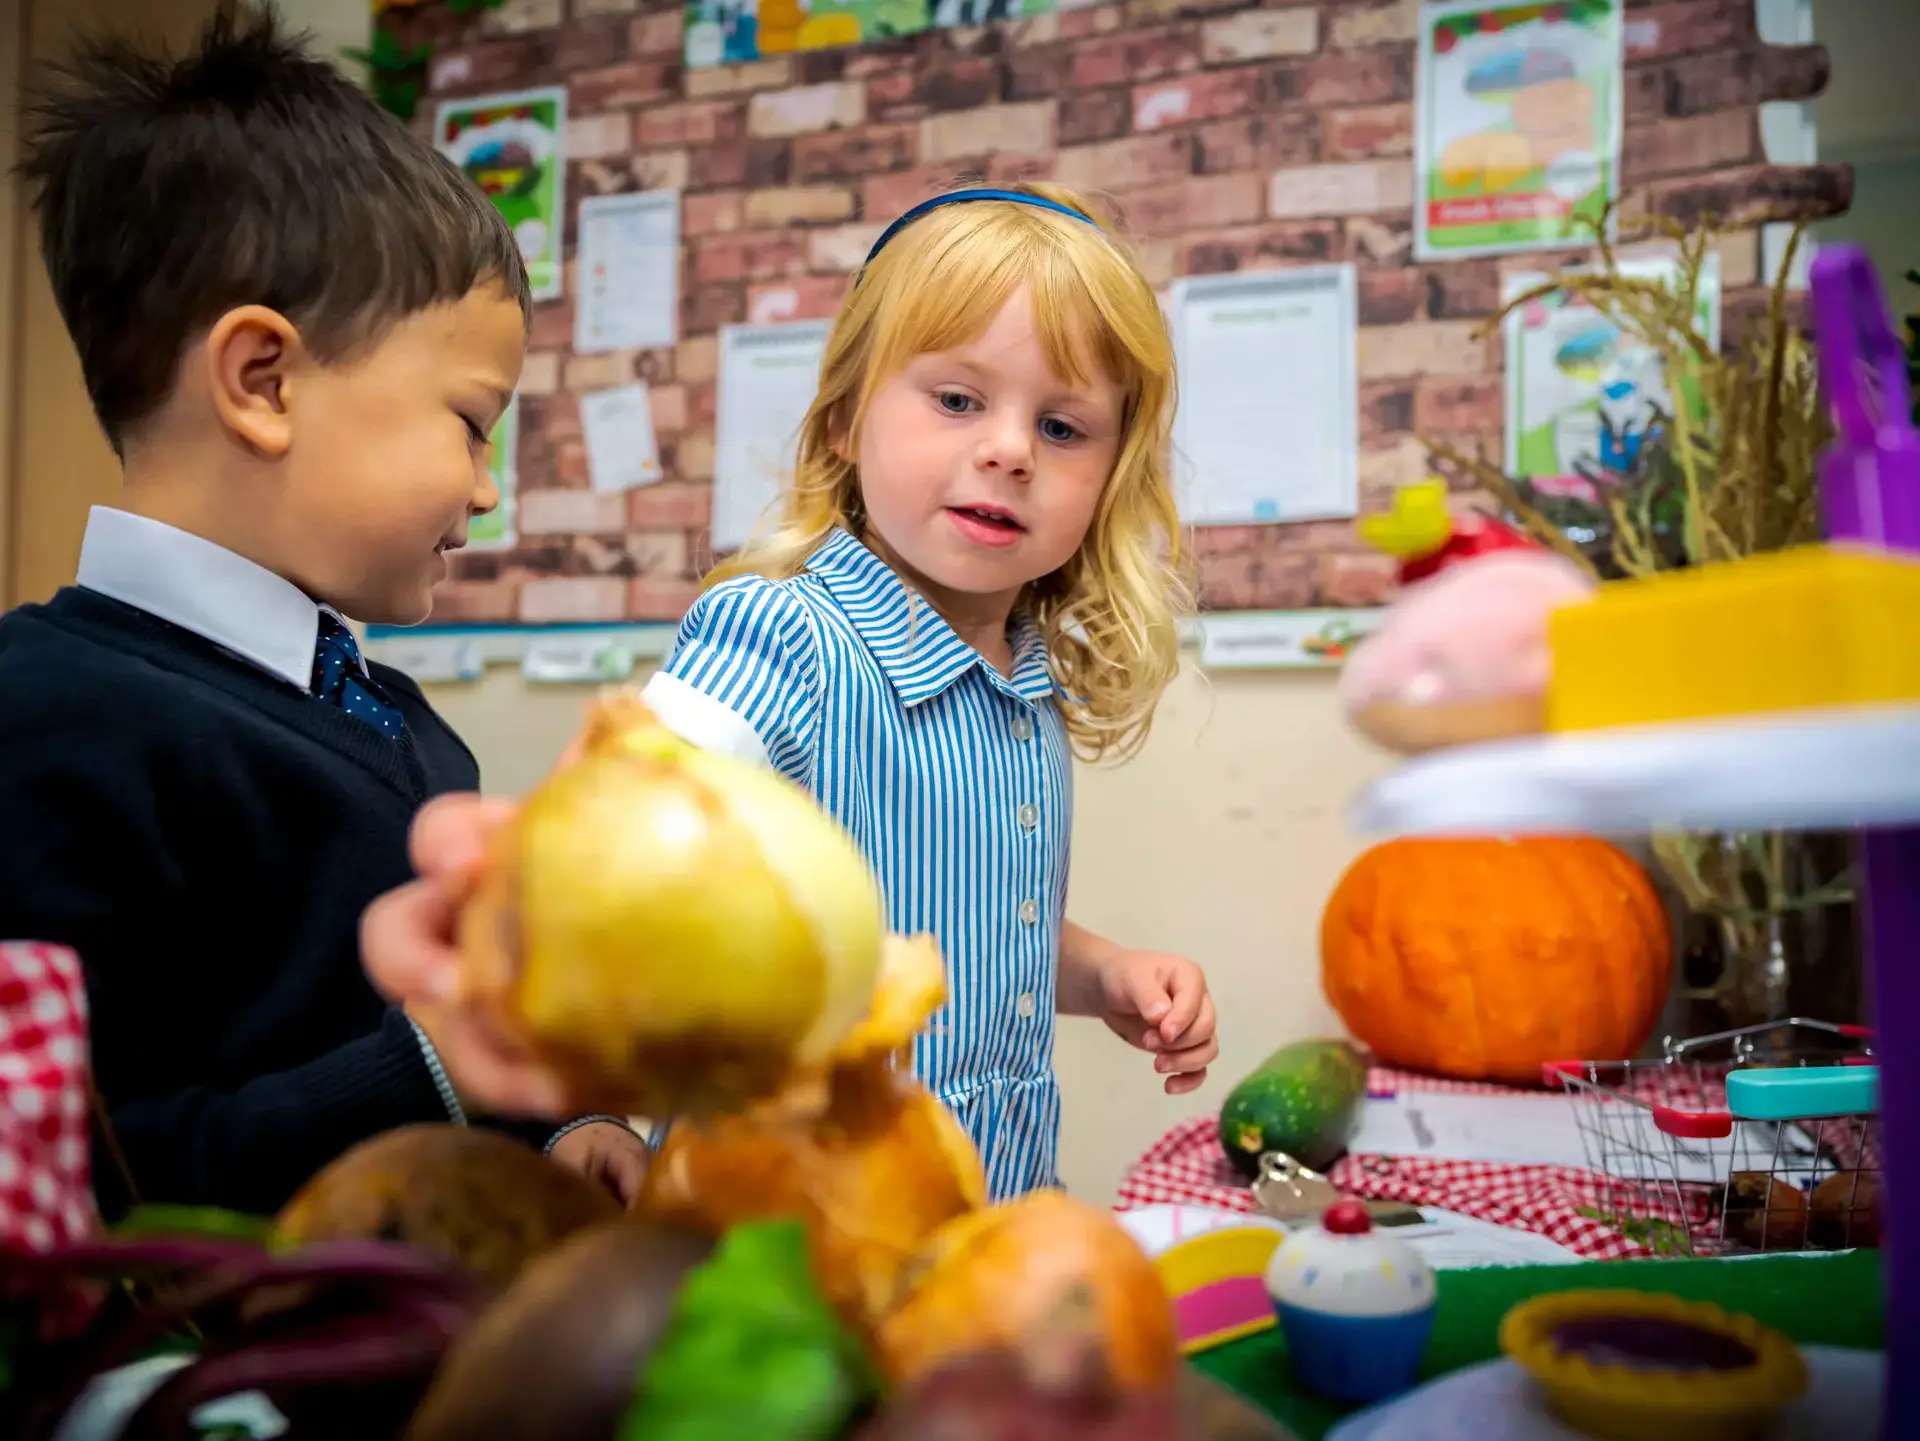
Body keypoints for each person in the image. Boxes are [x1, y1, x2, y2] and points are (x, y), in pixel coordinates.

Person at [367, 183, 1220, 1201]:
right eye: (957, 400)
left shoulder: (1026, 684)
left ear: (1112, 473)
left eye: (1064, 427)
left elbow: (980, 930)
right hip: (781, 1230)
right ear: (846, 424)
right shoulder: (786, 634)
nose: (1009, 448)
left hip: (984, 1219)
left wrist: (1102, 972)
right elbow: (608, 817)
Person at [0, 10, 650, 1218]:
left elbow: (470, 1050)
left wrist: (565, 1119)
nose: (488, 484)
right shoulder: (43, 722)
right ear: (265, 381)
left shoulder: (404, 725)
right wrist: (433, 1070)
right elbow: (92, 1188)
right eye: (470, 421)